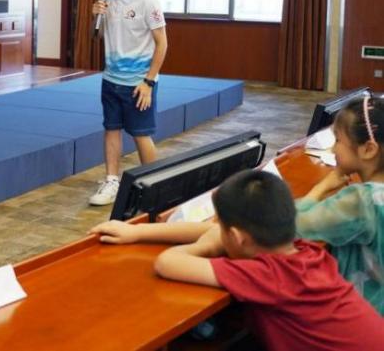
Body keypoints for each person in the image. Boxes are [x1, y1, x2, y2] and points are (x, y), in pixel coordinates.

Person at [91, 170, 384, 350]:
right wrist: (137, 232)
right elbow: (211, 232)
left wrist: (205, 247)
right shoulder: (303, 250)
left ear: (237, 237)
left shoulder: (267, 275)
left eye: (221, 227)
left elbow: (167, 263)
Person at [88, 0, 168, 206]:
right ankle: (111, 180)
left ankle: (152, 185)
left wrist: (148, 82)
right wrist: (96, 16)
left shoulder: (147, 1)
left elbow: (162, 43)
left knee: (140, 133)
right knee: (111, 129)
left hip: (138, 83)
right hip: (111, 79)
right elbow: (97, 36)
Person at [296, 94, 384, 313]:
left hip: (365, 316)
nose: (333, 150)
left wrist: (320, 188)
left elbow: (293, 226)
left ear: (368, 149)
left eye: (337, 140)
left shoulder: (361, 201)